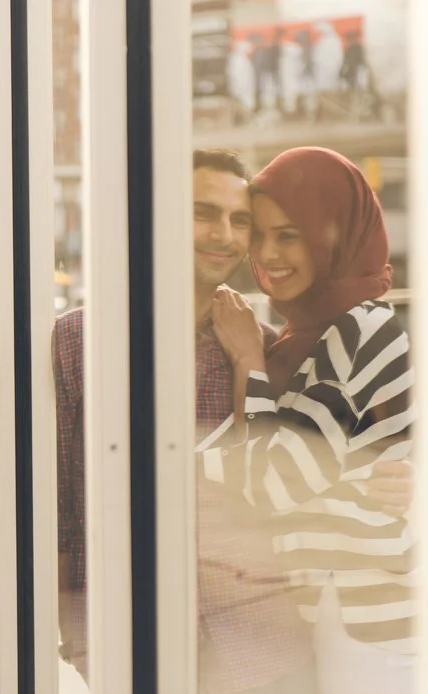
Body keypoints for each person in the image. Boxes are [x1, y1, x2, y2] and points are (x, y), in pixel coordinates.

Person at [54, 149, 412, 693]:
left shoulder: (271, 352)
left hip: (266, 641)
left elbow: (291, 472)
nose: (224, 235)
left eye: (239, 220)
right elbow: (56, 499)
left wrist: (389, 478)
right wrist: (68, 626)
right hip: (130, 628)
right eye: (203, 213)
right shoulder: (79, 341)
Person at [205, 147, 416, 694]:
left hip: (361, 619)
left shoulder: (360, 330)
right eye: (260, 234)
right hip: (328, 610)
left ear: (335, 234)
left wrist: (247, 361)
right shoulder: (309, 336)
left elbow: (276, 480)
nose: (267, 254)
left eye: (290, 235)